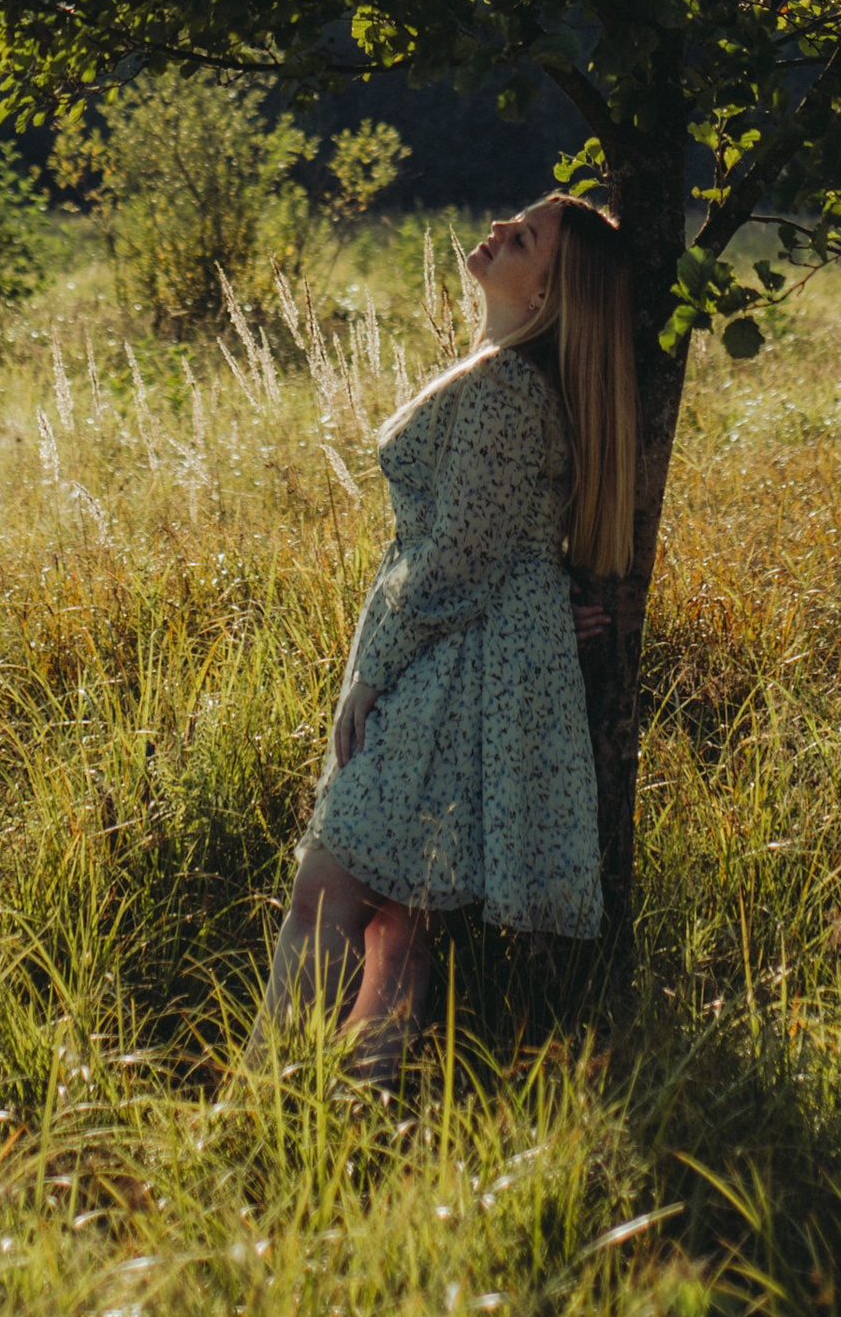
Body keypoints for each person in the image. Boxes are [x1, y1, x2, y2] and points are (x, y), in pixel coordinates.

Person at [254, 193, 638, 1078]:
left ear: (547, 291)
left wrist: (369, 674)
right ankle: (357, 1105)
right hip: (483, 663)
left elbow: (456, 559)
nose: (503, 226)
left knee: (332, 887)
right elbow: (501, 540)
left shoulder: (506, 389)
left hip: (447, 668)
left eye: (527, 235)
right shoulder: (513, 377)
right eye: (517, 218)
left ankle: (261, 1099)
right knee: (402, 916)